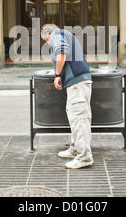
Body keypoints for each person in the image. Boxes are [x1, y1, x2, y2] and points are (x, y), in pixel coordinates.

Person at [41, 23, 93, 169]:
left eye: (47, 41)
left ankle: (84, 157)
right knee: (77, 117)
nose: (48, 44)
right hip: (77, 82)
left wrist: (57, 75)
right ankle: (75, 148)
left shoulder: (57, 35)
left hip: (77, 83)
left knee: (79, 119)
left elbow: (61, 52)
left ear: (48, 35)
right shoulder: (65, 34)